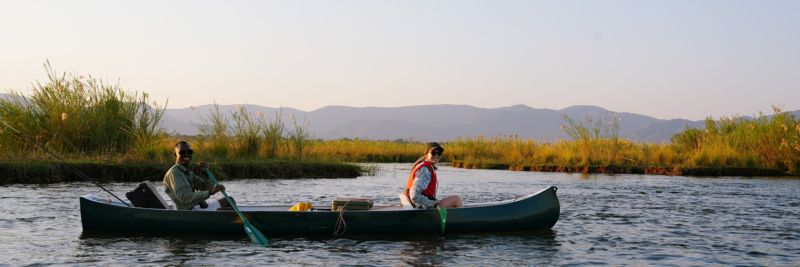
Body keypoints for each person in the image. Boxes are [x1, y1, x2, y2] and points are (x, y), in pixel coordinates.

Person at [163, 141, 235, 210]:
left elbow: (205, 188)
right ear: (175, 154)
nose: (186, 154)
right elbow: (183, 197)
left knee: (230, 200)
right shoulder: (174, 173)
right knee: (230, 210)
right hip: (190, 212)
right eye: (182, 152)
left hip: (198, 207)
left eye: (189, 152)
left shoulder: (188, 173)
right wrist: (210, 192)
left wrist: (206, 174)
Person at [404, 142, 463, 209]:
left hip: (417, 205)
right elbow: (415, 196)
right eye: (433, 153)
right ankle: (463, 219)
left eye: (439, 153)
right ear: (426, 154)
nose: (436, 155)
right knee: (456, 200)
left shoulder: (425, 166)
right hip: (419, 208)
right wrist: (432, 203)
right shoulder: (425, 170)